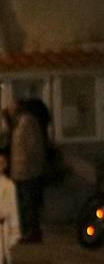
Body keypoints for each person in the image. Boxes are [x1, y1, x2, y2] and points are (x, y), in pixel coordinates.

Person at [8, 99, 47, 244]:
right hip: (21, 171)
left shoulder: (26, 123)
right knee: (24, 203)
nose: (9, 112)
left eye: (12, 109)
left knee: (29, 203)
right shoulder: (19, 123)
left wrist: (33, 167)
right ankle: (27, 232)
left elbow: (32, 148)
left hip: (28, 172)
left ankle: (33, 233)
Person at [0, 152, 18, 264]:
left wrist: (14, 230)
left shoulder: (8, 185)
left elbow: (12, 209)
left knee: (3, 260)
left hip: (2, 227)